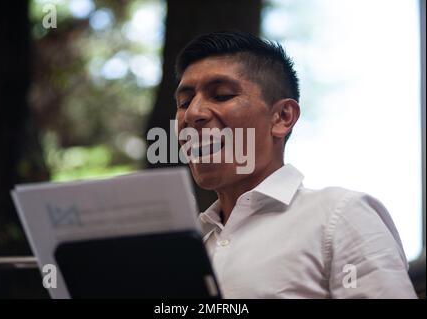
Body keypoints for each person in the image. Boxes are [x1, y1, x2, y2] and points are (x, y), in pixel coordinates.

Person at [173, 31, 417, 298]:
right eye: (184, 102)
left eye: (221, 95)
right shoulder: (185, 246)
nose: (193, 114)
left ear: (282, 117)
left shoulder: (340, 216)